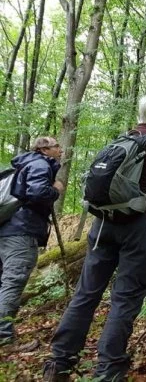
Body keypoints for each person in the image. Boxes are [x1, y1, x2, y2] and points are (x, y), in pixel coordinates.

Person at [44, 93, 146, 381]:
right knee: (125, 297)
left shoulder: (122, 139)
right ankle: (109, 370)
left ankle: (59, 363)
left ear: (140, 114)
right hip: (141, 227)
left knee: (86, 293)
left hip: (103, 224)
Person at [0, 137, 63, 345]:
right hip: (21, 232)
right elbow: (37, 192)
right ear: (44, 149)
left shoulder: (24, 164)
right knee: (12, 281)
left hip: (6, 229)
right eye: (56, 146)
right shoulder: (39, 164)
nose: (60, 150)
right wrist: (56, 189)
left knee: (4, 281)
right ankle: (4, 337)